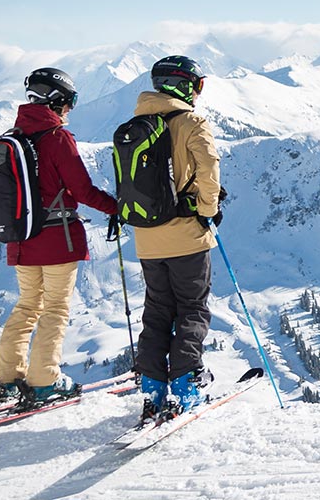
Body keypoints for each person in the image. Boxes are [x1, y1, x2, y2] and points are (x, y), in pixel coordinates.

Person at [0, 67, 118, 409]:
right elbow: (83, 190)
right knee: (56, 309)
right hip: (56, 237)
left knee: (27, 306)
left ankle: (7, 379)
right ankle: (45, 380)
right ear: (58, 100)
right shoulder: (57, 138)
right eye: (70, 101)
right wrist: (115, 207)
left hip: (21, 238)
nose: (70, 109)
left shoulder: (15, 136)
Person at [126, 55, 224, 419]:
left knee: (156, 311)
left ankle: (152, 386)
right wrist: (208, 210)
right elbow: (209, 170)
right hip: (186, 236)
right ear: (184, 86)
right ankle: (186, 381)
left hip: (147, 239)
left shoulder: (136, 123)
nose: (198, 94)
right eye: (197, 86)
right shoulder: (191, 122)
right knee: (192, 307)